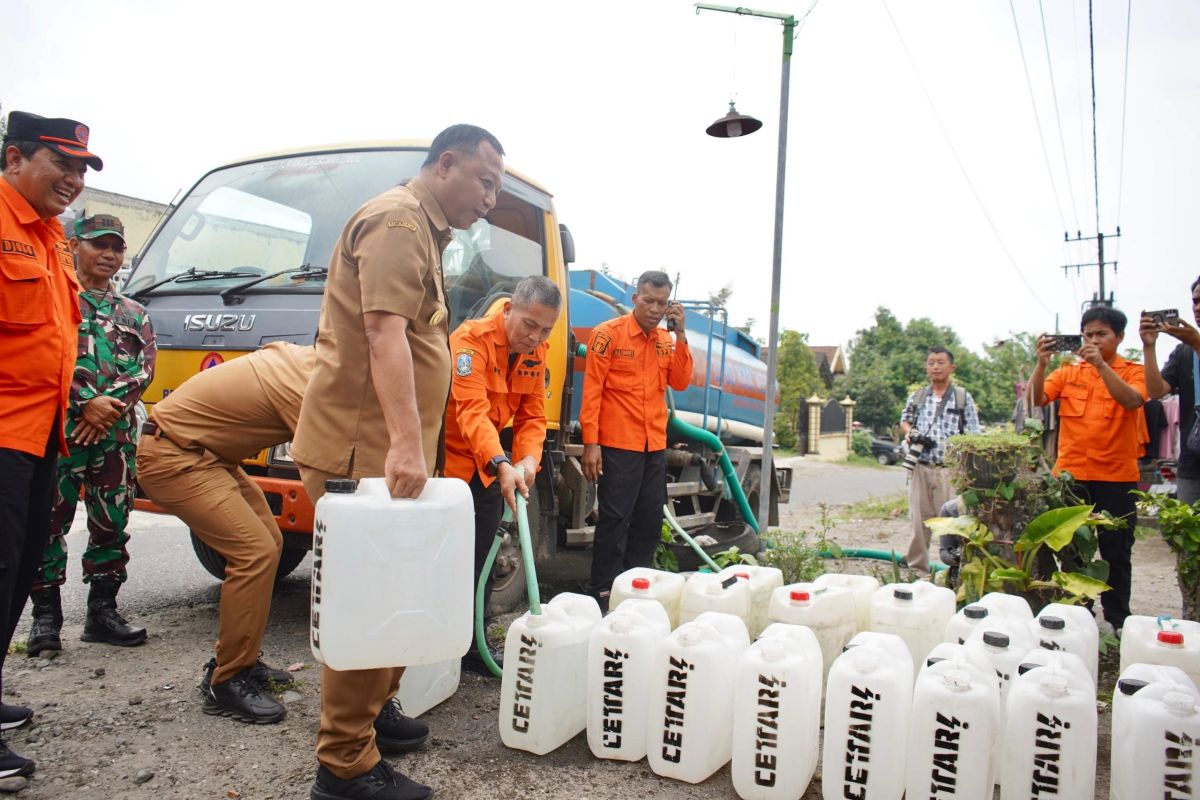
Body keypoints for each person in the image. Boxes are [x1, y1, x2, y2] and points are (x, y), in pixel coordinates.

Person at [292, 124, 505, 800]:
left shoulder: (427, 229)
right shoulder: (396, 222)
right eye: (486, 181)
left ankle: (374, 713)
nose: (492, 200)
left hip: (383, 447)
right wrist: (409, 447)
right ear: (447, 164)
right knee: (369, 595)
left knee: (395, 585)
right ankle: (345, 764)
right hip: (365, 448)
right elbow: (384, 335)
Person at [134, 343, 309, 724]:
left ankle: (241, 659)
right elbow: (323, 462)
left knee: (270, 544)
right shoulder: (308, 380)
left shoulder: (309, 362)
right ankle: (226, 682)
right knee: (255, 552)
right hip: (175, 455)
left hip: (211, 457)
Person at [0, 110, 99, 779]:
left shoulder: (56, 239)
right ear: (14, 159)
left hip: (43, 436)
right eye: (59, 164)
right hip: (4, 436)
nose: (72, 179)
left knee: (16, 573)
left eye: (81, 170)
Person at [27, 215, 155, 658]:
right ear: (74, 246)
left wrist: (105, 410)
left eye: (116, 248)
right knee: (47, 521)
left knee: (111, 523)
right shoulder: (55, 299)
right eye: (99, 245)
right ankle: (46, 617)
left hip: (113, 436)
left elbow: (144, 370)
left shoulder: (135, 313)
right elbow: (43, 357)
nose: (109, 255)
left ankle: (103, 612)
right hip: (61, 432)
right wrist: (84, 403)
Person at [443, 275, 562, 674]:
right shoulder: (471, 339)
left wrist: (527, 462)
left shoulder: (537, 351)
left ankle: (472, 643)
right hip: (452, 466)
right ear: (509, 308)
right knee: (444, 558)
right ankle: (437, 644)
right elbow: (470, 410)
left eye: (546, 329)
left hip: (493, 467)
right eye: (530, 324)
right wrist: (501, 462)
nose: (536, 336)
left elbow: (532, 415)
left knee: (484, 559)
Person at [579, 270, 693, 611]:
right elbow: (592, 392)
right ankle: (602, 594)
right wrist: (590, 444)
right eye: (648, 301)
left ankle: (635, 589)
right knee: (614, 520)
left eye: (661, 303)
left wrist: (681, 332)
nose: (655, 309)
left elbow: (682, 381)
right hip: (617, 444)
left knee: (648, 521)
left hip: (653, 445)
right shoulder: (607, 336)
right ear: (634, 298)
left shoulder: (664, 341)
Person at [1032, 306, 1147, 634]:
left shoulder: (1133, 371)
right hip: (1072, 478)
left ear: (1119, 337)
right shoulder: (1068, 372)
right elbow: (1036, 397)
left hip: (1117, 479)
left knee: (1116, 552)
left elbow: (1133, 401)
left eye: (1101, 334)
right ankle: (1077, 616)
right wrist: (1041, 364)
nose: (1093, 340)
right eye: (1088, 335)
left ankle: (1117, 620)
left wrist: (1100, 365)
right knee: (1072, 553)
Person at [900, 347, 981, 575]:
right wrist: (910, 432)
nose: (935, 366)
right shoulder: (918, 396)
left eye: (940, 362)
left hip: (950, 470)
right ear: (927, 367)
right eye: (931, 362)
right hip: (920, 467)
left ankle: (956, 570)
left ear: (951, 367)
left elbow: (974, 434)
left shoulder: (962, 398)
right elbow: (904, 420)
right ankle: (918, 572)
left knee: (953, 522)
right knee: (919, 522)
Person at [1142, 277, 1200, 505]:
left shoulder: (1192, 346)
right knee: (1189, 534)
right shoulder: (1183, 352)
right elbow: (1156, 391)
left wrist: (1197, 344)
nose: (1197, 307)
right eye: (1195, 301)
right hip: (1192, 461)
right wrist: (1149, 346)